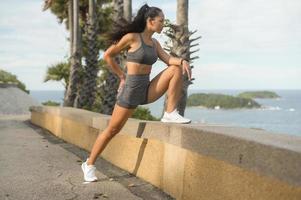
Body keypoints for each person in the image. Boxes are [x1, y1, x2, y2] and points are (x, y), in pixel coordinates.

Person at [81, 4, 192, 182]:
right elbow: (108, 55)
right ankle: (89, 164)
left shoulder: (155, 43)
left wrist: (182, 60)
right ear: (150, 21)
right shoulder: (132, 38)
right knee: (112, 129)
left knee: (175, 69)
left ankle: (170, 113)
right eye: (161, 21)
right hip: (130, 90)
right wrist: (121, 76)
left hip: (147, 89)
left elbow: (168, 59)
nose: (163, 24)